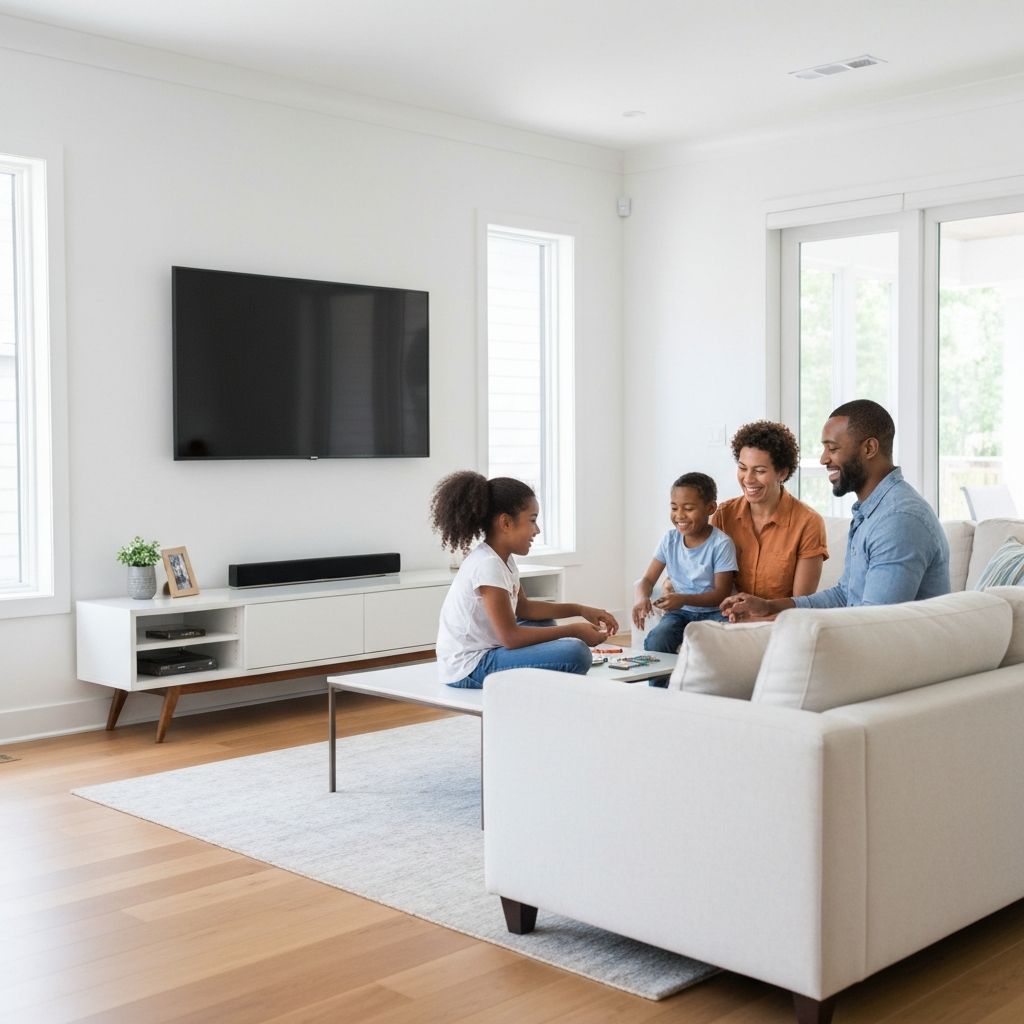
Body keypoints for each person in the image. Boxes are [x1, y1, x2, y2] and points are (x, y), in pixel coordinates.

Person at [722, 399, 950, 621]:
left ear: (869, 448)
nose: (823, 459)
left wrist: (780, 622)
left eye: (832, 448)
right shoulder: (871, 513)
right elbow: (844, 596)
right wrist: (770, 606)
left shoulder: (898, 520)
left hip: (891, 653)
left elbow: (875, 625)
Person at [431, 471, 619, 688]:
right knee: (576, 652)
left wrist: (582, 610)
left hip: (489, 650)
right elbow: (510, 637)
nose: (537, 530)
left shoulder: (503, 559)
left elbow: (525, 609)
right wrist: (574, 631)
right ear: (506, 523)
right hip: (470, 666)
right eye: (532, 520)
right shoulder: (487, 565)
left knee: (543, 623)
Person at [712, 420, 828, 608]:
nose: (748, 479)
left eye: (759, 471)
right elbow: (704, 577)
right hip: (726, 618)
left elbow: (801, 604)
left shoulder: (808, 522)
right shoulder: (723, 516)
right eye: (742, 468)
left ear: (782, 473)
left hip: (778, 623)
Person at [632, 472, 738, 654]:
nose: (679, 515)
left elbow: (721, 594)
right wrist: (642, 598)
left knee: (724, 643)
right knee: (657, 640)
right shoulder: (669, 540)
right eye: (674, 508)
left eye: (688, 508)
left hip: (714, 612)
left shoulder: (721, 544)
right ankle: (662, 684)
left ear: (710, 508)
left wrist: (683, 599)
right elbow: (648, 580)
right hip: (679, 613)